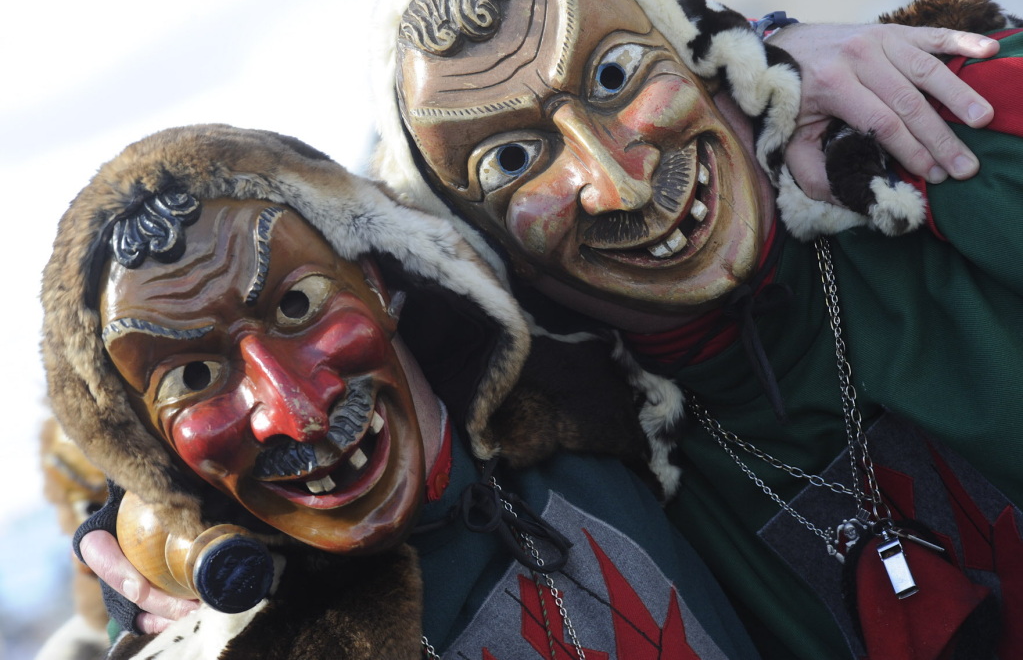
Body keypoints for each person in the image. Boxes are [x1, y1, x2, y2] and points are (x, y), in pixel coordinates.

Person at [369, 0, 1023, 660]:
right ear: (485, 251)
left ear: (705, 61)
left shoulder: (952, 151)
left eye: (615, 75)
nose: (616, 184)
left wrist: (770, 47)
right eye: (513, 160)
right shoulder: (597, 478)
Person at [42, 124, 766, 659]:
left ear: (381, 279)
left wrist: (777, 55)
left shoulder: (600, 387)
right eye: (194, 376)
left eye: (297, 307)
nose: (297, 411)